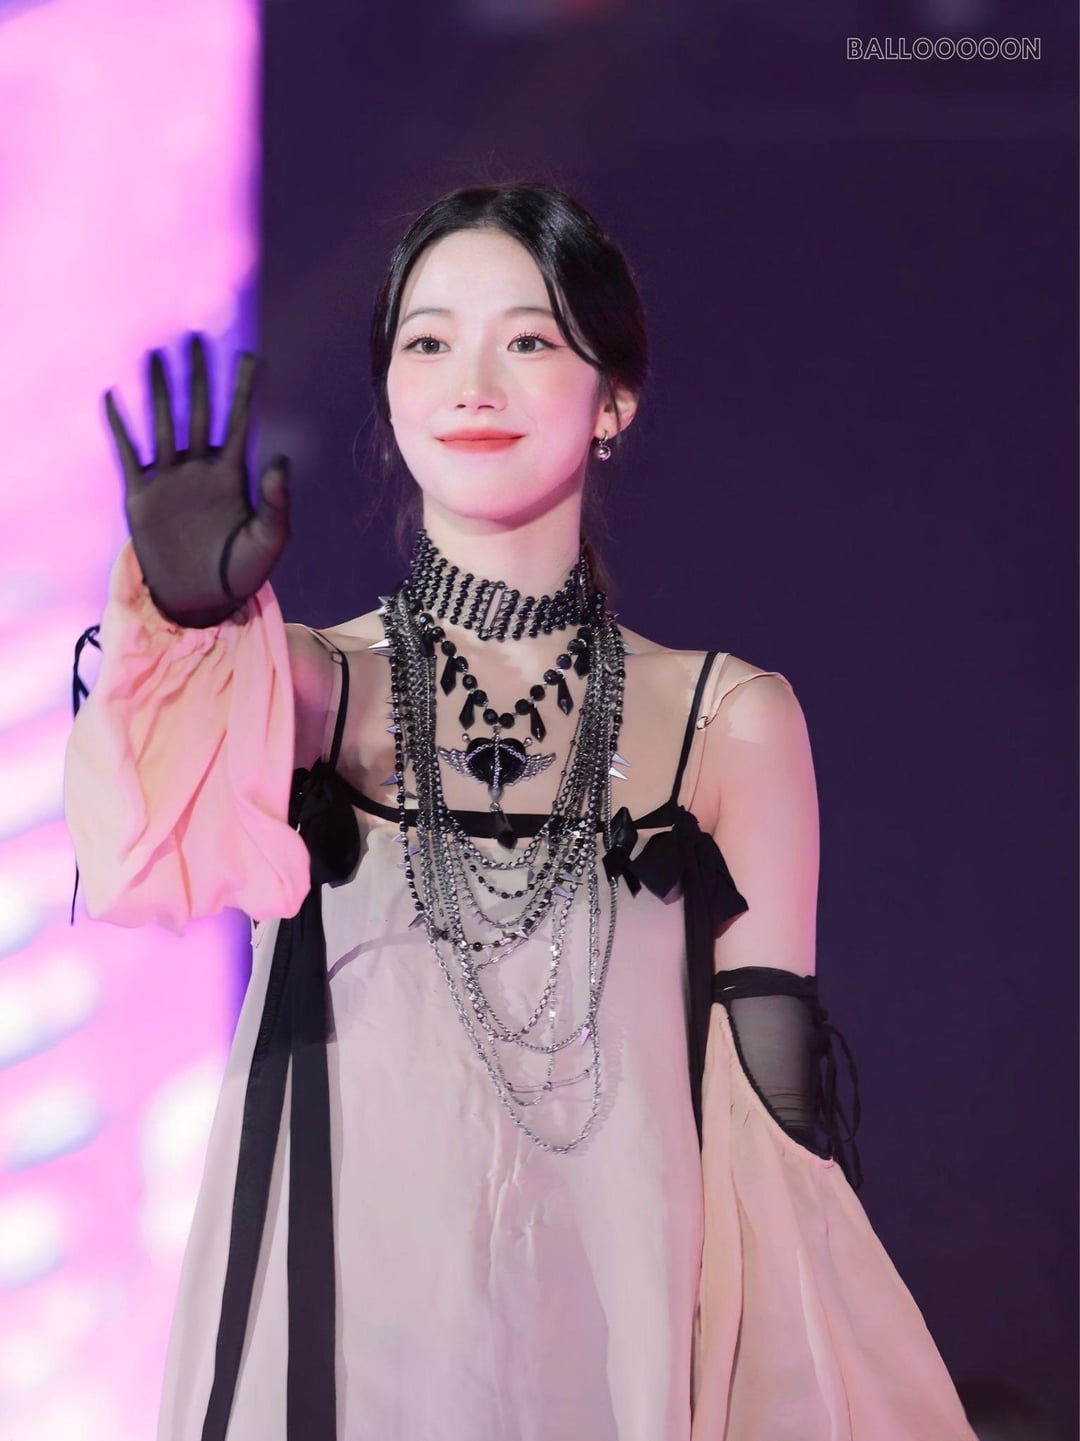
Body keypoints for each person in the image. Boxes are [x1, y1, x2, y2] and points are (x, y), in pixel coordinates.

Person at [64, 181, 978, 1440]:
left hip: (613, 1343)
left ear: (615, 399)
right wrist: (184, 622)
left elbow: (773, 1139)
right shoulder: (311, 690)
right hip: (350, 1343)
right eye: (429, 342)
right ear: (389, 393)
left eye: (530, 340)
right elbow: (133, 846)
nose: (473, 384)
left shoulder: (727, 720)